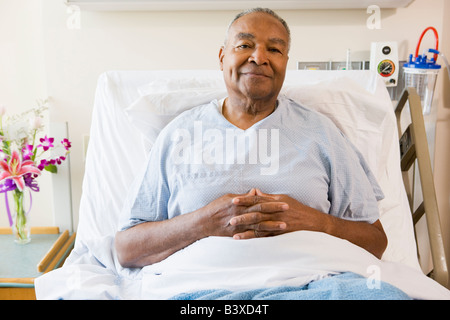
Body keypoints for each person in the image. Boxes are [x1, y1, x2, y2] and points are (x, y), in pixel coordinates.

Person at [115, 8, 388, 269]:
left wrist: (314, 221)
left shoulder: (321, 133)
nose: (259, 57)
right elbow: (127, 249)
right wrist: (202, 223)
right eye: (245, 45)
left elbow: (376, 242)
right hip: (198, 284)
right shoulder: (179, 134)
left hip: (310, 281)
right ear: (222, 57)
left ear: (285, 64)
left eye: (274, 49)